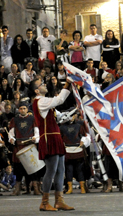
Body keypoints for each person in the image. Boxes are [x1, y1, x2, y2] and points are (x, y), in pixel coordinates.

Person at [30, 77, 74, 211]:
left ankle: (59, 200)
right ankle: (44, 202)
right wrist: (68, 83)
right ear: (37, 90)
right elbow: (60, 100)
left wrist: (74, 111)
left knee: (61, 170)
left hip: (55, 137)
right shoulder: (40, 101)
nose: (44, 84)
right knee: (51, 170)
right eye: (41, 84)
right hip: (49, 138)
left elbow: (59, 117)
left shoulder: (46, 103)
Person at [8, 101, 41, 196]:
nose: (22, 110)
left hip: (30, 145)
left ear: (27, 109)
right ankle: (17, 190)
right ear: (18, 109)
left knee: (33, 167)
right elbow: (11, 132)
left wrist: (36, 138)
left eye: (24, 108)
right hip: (18, 145)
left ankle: (35, 188)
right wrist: (11, 139)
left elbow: (37, 131)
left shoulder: (32, 119)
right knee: (19, 168)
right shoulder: (15, 119)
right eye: (21, 108)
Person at [60, 113, 90, 194]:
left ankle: (83, 188)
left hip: (78, 149)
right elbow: (59, 138)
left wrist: (83, 142)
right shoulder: (62, 127)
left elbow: (85, 136)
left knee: (80, 170)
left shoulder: (79, 126)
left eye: (72, 115)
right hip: (67, 150)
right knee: (68, 170)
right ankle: (70, 188)